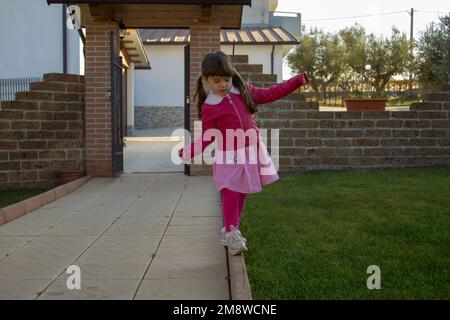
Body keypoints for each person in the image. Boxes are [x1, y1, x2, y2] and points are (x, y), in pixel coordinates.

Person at [178, 51, 309, 255]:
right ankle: (231, 234)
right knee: (230, 191)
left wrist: (295, 82)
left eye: (226, 79)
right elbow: (207, 136)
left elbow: (271, 93)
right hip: (229, 155)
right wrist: (190, 150)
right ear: (205, 80)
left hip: (251, 152)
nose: (223, 84)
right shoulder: (210, 107)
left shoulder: (243, 91)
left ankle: (231, 229)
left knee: (242, 194)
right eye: (217, 80)